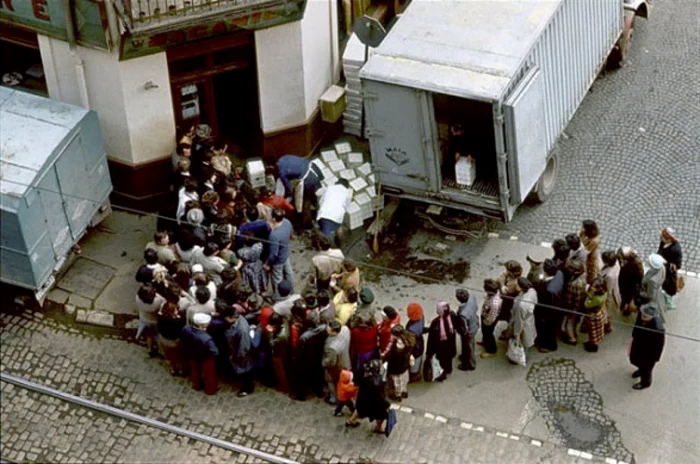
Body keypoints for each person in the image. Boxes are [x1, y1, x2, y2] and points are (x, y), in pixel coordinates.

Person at [345, 359, 390, 433]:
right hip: (375, 403)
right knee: (381, 415)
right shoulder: (377, 381)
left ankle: (350, 421)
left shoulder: (364, 375)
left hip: (363, 399)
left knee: (359, 410)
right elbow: (380, 396)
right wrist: (386, 404)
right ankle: (379, 427)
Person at [629, 302, 665, 390]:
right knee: (636, 360)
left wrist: (655, 358)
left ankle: (645, 383)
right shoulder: (641, 315)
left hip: (649, 353)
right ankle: (640, 370)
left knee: (646, 369)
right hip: (638, 345)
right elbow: (636, 326)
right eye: (643, 314)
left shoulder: (658, 328)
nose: (642, 317)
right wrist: (633, 336)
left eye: (646, 316)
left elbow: (659, 346)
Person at [181, 313, 219, 395]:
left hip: (192, 355)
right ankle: (210, 390)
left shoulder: (186, 328)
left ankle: (197, 385)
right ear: (202, 326)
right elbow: (215, 351)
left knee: (195, 371)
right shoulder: (206, 338)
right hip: (205, 358)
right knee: (208, 374)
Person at [222, 305, 255, 397]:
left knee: (245, 371)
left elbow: (244, 347)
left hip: (241, 354)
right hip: (234, 350)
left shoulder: (242, 330)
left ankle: (248, 388)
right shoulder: (237, 319)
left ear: (232, 317)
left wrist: (238, 356)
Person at [535, 259, 565, 353]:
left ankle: (550, 346)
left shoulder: (549, 289)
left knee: (548, 331)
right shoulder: (559, 273)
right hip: (558, 306)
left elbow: (548, 305)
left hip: (549, 314)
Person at [264, 208, 294, 300]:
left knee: (277, 279)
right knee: (289, 273)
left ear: (273, 218)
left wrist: (267, 264)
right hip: (286, 252)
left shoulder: (274, 235)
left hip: (278, 261)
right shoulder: (287, 222)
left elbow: (274, 254)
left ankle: (278, 297)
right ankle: (291, 291)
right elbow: (291, 234)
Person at [425, 301, 460, 381]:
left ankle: (442, 374)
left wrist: (429, 353)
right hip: (450, 343)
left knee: (442, 361)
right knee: (448, 358)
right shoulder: (451, 316)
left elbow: (431, 338)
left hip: (441, 346)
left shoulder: (436, 322)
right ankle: (448, 369)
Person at [157, 288, 187, 376]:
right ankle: (181, 370)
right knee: (179, 357)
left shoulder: (161, 318)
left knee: (168, 357)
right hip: (175, 341)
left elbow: (158, 327)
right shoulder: (179, 320)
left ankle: (172, 369)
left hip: (164, 339)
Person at [381, 325, 415, 401]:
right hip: (405, 366)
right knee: (404, 379)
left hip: (396, 368)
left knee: (396, 383)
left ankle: (397, 396)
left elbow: (389, 356)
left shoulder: (396, 347)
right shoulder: (408, 339)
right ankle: (404, 392)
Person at [322, 320, 351, 405]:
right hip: (345, 360)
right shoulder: (345, 329)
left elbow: (330, 362)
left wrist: (323, 363)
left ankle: (333, 398)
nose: (327, 329)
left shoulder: (332, 347)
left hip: (336, 366)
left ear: (334, 332)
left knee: (330, 381)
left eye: (329, 328)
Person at [316, 179, 352, 245]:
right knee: (338, 227)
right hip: (338, 215)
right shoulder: (348, 193)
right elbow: (347, 208)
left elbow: (317, 193)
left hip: (325, 213)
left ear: (337, 183)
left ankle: (322, 243)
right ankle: (339, 242)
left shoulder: (330, 187)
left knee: (321, 230)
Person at [510, 277, 538, 361]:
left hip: (523, 325)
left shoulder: (521, 305)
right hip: (529, 320)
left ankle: (520, 357)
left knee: (521, 344)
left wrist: (516, 336)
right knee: (525, 342)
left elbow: (519, 322)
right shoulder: (532, 291)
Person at [135, 284, 165, 357]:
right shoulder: (157, 302)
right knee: (158, 337)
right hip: (155, 322)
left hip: (144, 320)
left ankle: (150, 349)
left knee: (149, 335)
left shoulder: (138, 298)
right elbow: (164, 301)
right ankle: (162, 352)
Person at [562, 259, 586, 345]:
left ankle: (572, 339)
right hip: (576, 308)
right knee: (574, 323)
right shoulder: (582, 275)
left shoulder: (576, 284)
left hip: (573, 308)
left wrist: (572, 311)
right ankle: (573, 333)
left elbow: (577, 300)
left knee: (569, 324)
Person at [657, 227, 682, 309]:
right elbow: (660, 250)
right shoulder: (663, 242)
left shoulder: (676, 249)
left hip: (668, 271)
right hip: (660, 266)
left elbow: (678, 265)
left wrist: (666, 263)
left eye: (663, 236)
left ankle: (668, 299)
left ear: (669, 238)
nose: (661, 237)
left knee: (669, 287)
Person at [639, 253, 669, 322]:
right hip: (658, 291)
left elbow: (650, 295)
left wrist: (641, 293)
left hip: (654, 297)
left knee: (652, 312)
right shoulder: (662, 267)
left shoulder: (652, 281)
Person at [266, 313, 291, 392]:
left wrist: (270, 333)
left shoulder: (281, 336)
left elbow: (272, 344)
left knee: (280, 371)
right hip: (285, 349)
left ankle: (285, 387)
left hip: (279, 352)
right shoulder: (284, 321)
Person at [456, 289, 479, 371]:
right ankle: (464, 356)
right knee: (468, 345)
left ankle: (469, 364)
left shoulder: (463, 314)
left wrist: (465, 334)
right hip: (474, 323)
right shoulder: (472, 298)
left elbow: (464, 328)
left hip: (469, 331)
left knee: (468, 347)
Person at [582, 277, 608, 353]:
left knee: (593, 332)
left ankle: (592, 346)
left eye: (592, 287)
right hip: (599, 313)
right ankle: (591, 343)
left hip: (593, 316)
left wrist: (588, 296)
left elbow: (586, 304)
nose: (591, 287)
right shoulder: (604, 293)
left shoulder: (597, 299)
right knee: (595, 331)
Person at [498, 261, 523, 337]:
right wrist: (502, 285)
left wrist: (505, 290)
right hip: (505, 300)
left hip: (509, 302)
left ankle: (509, 333)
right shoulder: (509, 274)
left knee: (510, 318)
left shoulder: (516, 283)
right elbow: (501, 277)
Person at [618, 247, 645, 316]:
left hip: (630, 285)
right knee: (624, 296)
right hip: (624, 283)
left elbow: (639, 278)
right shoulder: (627, 262)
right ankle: (624, 304)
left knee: (628, 298)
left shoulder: (635, 265)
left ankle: (627, 309)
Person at [479, 280, 502, 358]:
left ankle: (491, 350)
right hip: (485, 315)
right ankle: (485, 342)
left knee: (488, 334)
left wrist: (486, 322)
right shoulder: (492, 294)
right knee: (485, 332)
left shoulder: (494, 303)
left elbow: (491, 317)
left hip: (489, 320)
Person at [600, 250, 621, 333]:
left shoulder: (609, 276)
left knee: (608, 312)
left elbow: (608, 289)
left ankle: (607, 326)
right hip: (614, 289)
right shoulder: (616, 264)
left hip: (610, 295)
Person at [405, 303, 426, 382]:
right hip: (420, 343)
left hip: (415, 349)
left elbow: (411, 343)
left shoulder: (411, 329)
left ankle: (415, 376)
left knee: (413, 363)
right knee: (418, 360)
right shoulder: (421, 318)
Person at [580, 220, 601, 285]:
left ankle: (591, 282)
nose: (581, 228)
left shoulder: (594, 240)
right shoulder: (583, 232)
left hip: (590, 254)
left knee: (591, 268)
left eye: (583, 227)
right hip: (585, 248)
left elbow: (587, 251)